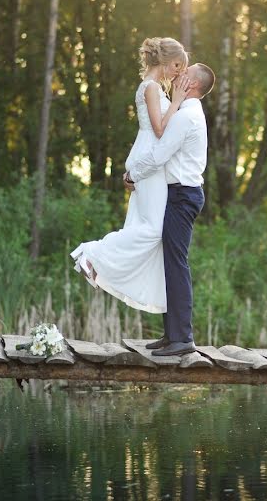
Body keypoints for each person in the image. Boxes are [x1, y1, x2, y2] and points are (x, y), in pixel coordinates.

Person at [69, 37, 188, 313]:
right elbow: (160, 130)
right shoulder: (150, 87)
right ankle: (92, 253)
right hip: (149, 157)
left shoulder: (152, 86)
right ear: (166, 61)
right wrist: (177, 101)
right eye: (177, 66)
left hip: (146, 156)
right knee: (153, 229)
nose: (179, 73)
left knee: (148, 227)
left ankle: (99, 260)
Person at [124, 62, 215, 356]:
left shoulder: (186, 117)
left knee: (176, 264)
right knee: (169, 264)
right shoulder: (187, 113)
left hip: (182, 196)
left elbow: (160, 155)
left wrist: (132, 173)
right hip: (179, 194)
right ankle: (171, 335)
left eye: (184, 75)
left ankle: (182, 339)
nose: (178, 75)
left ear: (193, 85)